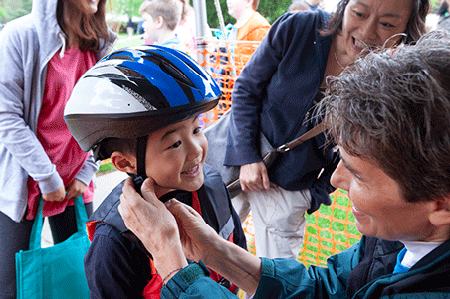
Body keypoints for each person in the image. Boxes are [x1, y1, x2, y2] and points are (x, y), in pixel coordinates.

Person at [118, 30, 450, 298]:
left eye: (359, 175)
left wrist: (174, 267)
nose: (336, 179)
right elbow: (329, 288)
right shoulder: (400, 238)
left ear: (441, 205)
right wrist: (214, 250)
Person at [223, 0, 429, 260]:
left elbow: (359, 154)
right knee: (208, 252)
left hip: (291, 192)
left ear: (407, 30)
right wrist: (247, 157)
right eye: (359, 13)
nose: (367, 31)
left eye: (387, 23)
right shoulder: (298, 28)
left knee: (276, 282)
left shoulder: (389, 84)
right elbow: (246, 89)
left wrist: (312, 196)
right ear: (344, 6)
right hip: (237, 170)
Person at [64, 46, 247, 298]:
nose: (196, 152)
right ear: (125, 164)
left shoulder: (213, 186)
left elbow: (240, 265)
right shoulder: (115, 241)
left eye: (197, 129)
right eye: (174, 144)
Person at [0, 0, 116, 298]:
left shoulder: (100, 44)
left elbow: (105, 118)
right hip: (27, 182)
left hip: (77, 181)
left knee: (84, 275)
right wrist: (46, 177)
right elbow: (6, 116)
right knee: (13, 286)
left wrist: (87, 170)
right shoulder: (19, 35)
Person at [226, 0, 271, 64]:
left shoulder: (259, 28)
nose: (228, 1)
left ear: (249, 2)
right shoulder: (235, 28)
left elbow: (265, 64)